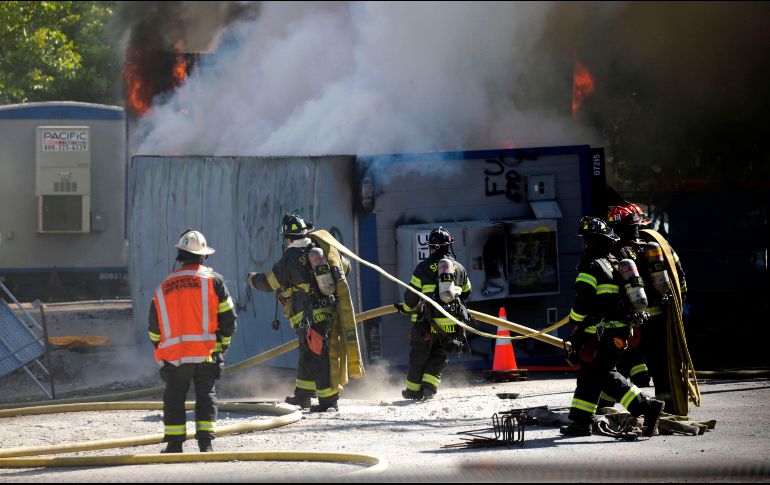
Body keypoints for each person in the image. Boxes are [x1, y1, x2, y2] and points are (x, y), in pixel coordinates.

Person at [561, 217, 664, 437]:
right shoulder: (613, 261)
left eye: (585, 239)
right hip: (614, 328)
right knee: (589, 376)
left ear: (590, 241)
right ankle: (580, 422)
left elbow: (583, 301)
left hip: (601, 331)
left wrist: (574, 323)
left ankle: (645, 407)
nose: (583, 244)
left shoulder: (591, 264)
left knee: (604, 374)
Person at [148, 229, 237, 453]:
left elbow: (154, 328)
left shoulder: (164, 287)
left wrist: (162, 348)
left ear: (180, 254)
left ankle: (175, 444)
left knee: (174, 396)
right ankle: (205, 444)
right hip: (206, 352)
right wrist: (222, 344)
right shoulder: (213, 281)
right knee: (206, 394)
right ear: (203, 255)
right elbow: (228, 318)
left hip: (175, 356)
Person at [248, 214, 347, 412]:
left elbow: (269, 282)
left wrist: (252, 279)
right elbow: (344, 267)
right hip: (326, 308)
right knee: (307, 351)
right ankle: (303, 395)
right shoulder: (319, 249)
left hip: (307, 314)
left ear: (288, 238)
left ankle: (328, 399)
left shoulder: (289, 259)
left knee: (315, 353)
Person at [608, 203, 687, 413]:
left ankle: (603, 407)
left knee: (615, 366)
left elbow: (609, 288)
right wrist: (678, 304)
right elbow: (679, 277)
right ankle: (669, 406)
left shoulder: (614, 251)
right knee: (662, 364)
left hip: (630, 321)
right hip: (660, 319)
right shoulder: (658, 246)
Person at [395, 226, 472, 400]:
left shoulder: (423, 268)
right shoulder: (459, 268)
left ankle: (413, 391)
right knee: (439, 356)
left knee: (419, 356)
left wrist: (404, 309)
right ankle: (429, 387)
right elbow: (467, 293)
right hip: (451, 324)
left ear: (430, 247)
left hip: (426, 323)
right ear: (449, 246)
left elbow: (411, 298)